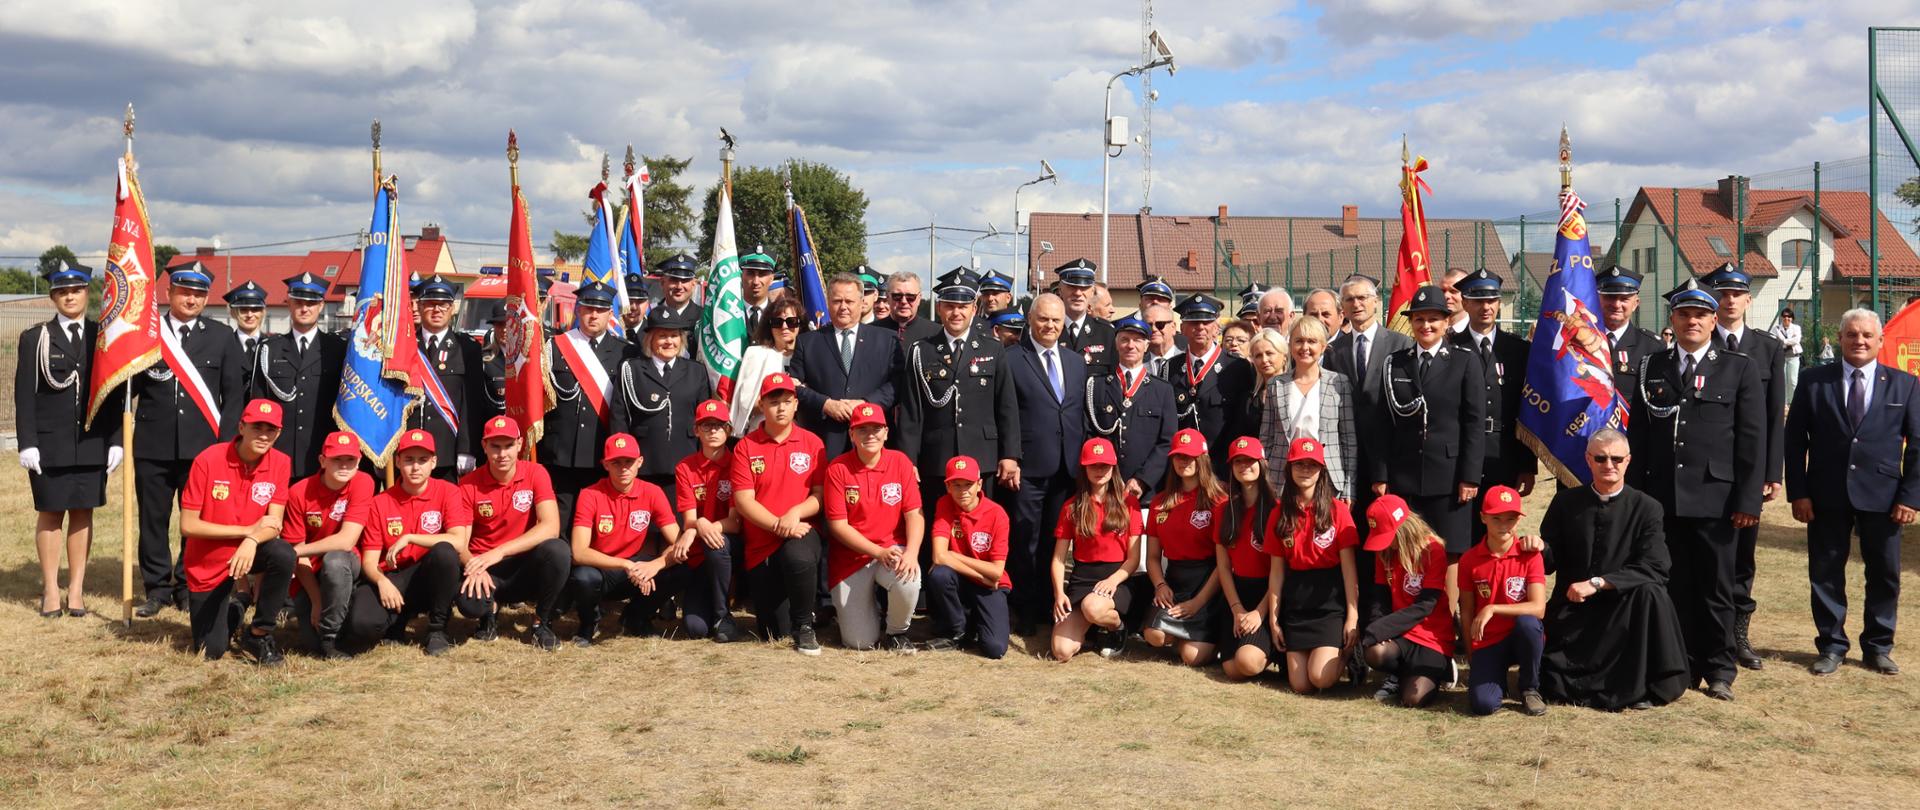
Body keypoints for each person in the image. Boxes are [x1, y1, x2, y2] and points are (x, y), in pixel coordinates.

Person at [1629, 279, 1765, 701]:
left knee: (1717, 589)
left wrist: (1747, 501)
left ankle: (1720, 668)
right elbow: (1638, 438)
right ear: (1672, 319)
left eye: (1701, 315)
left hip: (1717, 501)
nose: (1693, 321)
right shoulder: (1652, 367)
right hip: (1662, 499)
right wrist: (1637, 502)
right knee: (1674, 586)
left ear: (1713, 320)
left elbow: (1751, 440)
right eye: (1685, 314)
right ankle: (1682, 665)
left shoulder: (1738, 367)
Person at [1786, 309, 1920, 676]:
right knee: (1826, 572)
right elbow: (1795, 441)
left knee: (1885, 574)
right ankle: (1831, 646)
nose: (1859, 341)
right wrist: (1799, 492)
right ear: (1840, 339)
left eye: (1866, 336)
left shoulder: (1904, 384)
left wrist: (1910, 497)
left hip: (1885, 496)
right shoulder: (1814, 382)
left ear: (1880, 341)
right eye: (1851, 335)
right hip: (1825, 495)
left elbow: (1919, 444)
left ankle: (1878, 647)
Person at [1538, 429, 1690, 710]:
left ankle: (1643, 687)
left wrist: (1598, 583)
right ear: (1588, 460)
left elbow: (1656, 567)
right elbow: (1549, 562)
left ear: (1628, 461)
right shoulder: (1565, 503)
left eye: (1616, 459)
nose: (1609, 465)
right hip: (1575, 608)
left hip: (1623, 609)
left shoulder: (1647, 508)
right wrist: (1538, 548)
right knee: (1552, 682)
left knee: (1652, 593)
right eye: (1601, 458)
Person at [132, 261, 248, 617]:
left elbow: (233, 398)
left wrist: (225, 446)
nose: (191, 299)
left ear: (206, 298)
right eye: (184, 291)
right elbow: (130, 388)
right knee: (153, 519)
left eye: (198, 294)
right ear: (169, 293)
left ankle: (186, 584)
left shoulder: (221, 336)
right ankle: (157, 587)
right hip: (153, 443)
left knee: (196, 522)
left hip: (204, 449)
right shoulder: (148, 334)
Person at [16, 259, 120, 618]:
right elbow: (24, 395)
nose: (70, 297)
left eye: (76, 290)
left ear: (86, 293)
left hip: (92, 442)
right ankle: (50, 590)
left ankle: (75, 589)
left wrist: (117, 440)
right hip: (49, 445)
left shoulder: (103, 338)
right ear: (52, 297)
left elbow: (114, 395)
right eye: (62, 291)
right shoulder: (35, 338)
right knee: (50, 513)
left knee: (82, 513)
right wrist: (27, 442)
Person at [1702, 263, 1786, 672]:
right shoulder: (1700, 342)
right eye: (1722, 294)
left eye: (1736, 294)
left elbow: (1773, 418)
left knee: (1742, 557)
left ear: (1749, 300)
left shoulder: (1767, 348)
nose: (1729, 301)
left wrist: (1773, 473)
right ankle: (1702, 632)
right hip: (1705, 469)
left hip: (1748, 470)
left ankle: (1738, 635)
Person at [177, 399, 294, 664]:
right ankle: (239, 605)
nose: (263, 435)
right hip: (208, 561)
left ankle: (259, 632)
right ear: (241, 426)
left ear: (279, 433)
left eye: (271, 430)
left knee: (283, 554)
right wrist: (246, 531)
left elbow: (274, 523)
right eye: (257, 427)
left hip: (251, 550)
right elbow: (188, 525)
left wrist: (252, 539)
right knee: (211, 652)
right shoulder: (208, 459)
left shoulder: (281, 462)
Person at [1375, 286, 1485, 562]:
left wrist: (1469, 476)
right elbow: (1383, 423)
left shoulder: (1465, 362)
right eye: (1419, 319)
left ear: (1446, 322)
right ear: (1411, 323)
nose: (1426, 325)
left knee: (1449, 551)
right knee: (1407, 548)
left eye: (1433, 319)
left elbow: (1473, 423)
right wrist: (1382, 474)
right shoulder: (1395, 364)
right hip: (1404, 475)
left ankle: (1448, 607)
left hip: (1449, 477)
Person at [896, 269, 1021, 510]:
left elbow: (1006, 406)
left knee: (981, 528)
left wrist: (1010, 455)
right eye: (950, 306)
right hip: (936, 459)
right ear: (940, 308)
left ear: (974, 309)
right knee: (937, 525)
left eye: (963, 306)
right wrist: (908, 460)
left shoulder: (992, 349)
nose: (956, 313)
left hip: (983, 457)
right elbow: (912, 412)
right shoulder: (921, 350)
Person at [1003, 293, 1089, 632]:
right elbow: (1006, 413)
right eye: (1043, 319)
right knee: (1025, 540)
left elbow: (1077, 412)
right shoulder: (1011, 359)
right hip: (1028, 465)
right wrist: (1010, 455)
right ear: (1030, 320)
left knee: (1056, 542)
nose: (1050, 325)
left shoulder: (1075, 362)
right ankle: (1024, 609)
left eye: (1056, 320)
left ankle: (1048, 604)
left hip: (1067, 468)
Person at [731, 373, 828, 654]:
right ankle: (790, 620)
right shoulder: (746, 446)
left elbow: (819, 496)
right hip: (762, 542)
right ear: (762, 405)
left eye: (787, 401)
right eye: (774, 402)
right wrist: (777, 524)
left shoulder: (813, 443)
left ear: (796, 404)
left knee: (796, 556)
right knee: (772, 631)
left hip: (800, 532)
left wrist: (795, 514)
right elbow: (744, 500)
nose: (781, 408)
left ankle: (805, 625)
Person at [347, 430, 467, 655]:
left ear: (434, 463)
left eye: (422, 460)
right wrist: (381, 582)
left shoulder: (448, 492)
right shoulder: (379, 502)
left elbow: (459, 542)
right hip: (395, 577)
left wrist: (410, 537)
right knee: (361, 626)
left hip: (429, 575)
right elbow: (370, 561)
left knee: (445, 552)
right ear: (398, 461)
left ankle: (437, 628)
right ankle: (398, 618)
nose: (415, 467)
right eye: (409, 460)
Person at [456, 415, 569, 651]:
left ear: (519, 444)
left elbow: (551, 526)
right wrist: (473, 566)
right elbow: (460, 542)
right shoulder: (468, 484)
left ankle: (541, 623)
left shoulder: (536, 473)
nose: (502, 454)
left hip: (522, 566)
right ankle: (489, 615)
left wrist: (500, 551)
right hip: (487, 569)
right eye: (495, 446)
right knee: (469, 605)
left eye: (508, 446)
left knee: (558, 550)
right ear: (484, 446)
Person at [822, 403, 924, 652]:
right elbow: (838, 526)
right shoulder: (837, 469)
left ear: (886, 432)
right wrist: (876, 552)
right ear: (851, 435)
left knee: (909, 578)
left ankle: (896, 631)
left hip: (892, 550)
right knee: (859, 642)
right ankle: (869, 613)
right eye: (862, 429)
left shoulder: (900, 462)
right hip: (851, 559)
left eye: (876, 428)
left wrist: (911, 553)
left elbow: (915, 515)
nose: (870, 435)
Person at [566, 432, 683, 645]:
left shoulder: (653, 492)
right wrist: (625, 564)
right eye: (616, 462)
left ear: (640, 462)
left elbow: (679, 543)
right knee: (584, 578)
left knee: (681, 568)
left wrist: (655, 565)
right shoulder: (590, 494)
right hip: (602, 570)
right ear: (605, 464)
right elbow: (579, 551)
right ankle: (588, 624)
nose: (623, 468)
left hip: (635, 569)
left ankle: (635, 617)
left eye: (629, 462)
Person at [1266, 437, 1360, 694]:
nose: (1305, 470)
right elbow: (1276, 573)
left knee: (1320, 677)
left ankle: (1351, 655)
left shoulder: (1338, 510)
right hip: (1296, 601)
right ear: (1289, 468)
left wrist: (1353, 615)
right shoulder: (1279, 513)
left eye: (1312, 465)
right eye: (1299, 464)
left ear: (1322, 470)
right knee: (1300, 685)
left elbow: (1349, 569)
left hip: (1329, 601)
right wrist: (1274, 620)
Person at [539, 280, 627, 525]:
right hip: (560, 452)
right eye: (588, 308)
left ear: (610, 314)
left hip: (601, 450)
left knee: (598, 518)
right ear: (578, 309)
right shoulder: (555, 347)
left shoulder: (625, 352)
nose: (593, 315)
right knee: (560, 519)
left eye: (600, 310)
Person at [1048, 438, 1143, 661]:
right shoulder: (1072, 506)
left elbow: (1134, 558)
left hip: (1118, 578)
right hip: (1083, 578)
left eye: (1104, 465)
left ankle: (1116, 628)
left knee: (1093, 607)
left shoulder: (1129, 503)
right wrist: (1058, 593)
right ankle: (1092, 627)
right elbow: (1059, 559)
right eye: (1093, 465)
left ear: (1113, 468)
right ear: (1084, 468)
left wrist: (1112, 581)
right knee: (1061, 651)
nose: (1099, 470)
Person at [281, 431, 374, 659]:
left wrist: (297, 550)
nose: (344, 466)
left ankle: (330, 637)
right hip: (309, 573)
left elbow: (346, 541)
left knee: (335, 559)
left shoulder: (363, 482)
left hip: (345, 563)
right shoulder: (298, 492)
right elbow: (298, 560)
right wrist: (316, 600)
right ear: (322, 461)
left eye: (350, 460)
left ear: (359, 462)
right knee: (309, 645)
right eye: (336, 459)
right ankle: (328, 624)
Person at [1458, 485, 1548, 716]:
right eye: (1496, 518)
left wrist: (1493, 608)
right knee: (1483, 705)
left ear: (1519, 520)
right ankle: (1497, 679)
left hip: (1521, 637)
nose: (1504, 525)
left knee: (1528, 623)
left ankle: (1530, 687)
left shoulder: (1530, 555)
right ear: (1483, 518)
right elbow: (1466, 612)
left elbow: (1538, 608)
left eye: (1511, 518)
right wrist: (1472, 657)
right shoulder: (1469, 560)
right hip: (1488, 642)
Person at [791, 273, 901, 462]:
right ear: (828, 302)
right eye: (837, 301)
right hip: (824, 442)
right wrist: (825, 404)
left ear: (861, 303)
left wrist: (866, 403)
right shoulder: (807, 342)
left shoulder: (887, 339)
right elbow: (794, 387)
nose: (843, 307)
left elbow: (898, 383)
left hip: (872, 442)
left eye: (849, 301)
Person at [1142, 429, 1228, 667]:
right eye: (1179, 456)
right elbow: (1151, 557)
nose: (1184, 462)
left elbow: (1224, 563)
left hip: (1208, 584)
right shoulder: (1160, 501)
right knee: (1154, 636)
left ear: (1202, 459)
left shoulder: (1219, 499)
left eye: (1190, 456)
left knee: (1192, 657)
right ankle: (1184, 640)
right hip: (1174, 582)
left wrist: (1198, 602)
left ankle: (1214, 643)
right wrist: (1160, 585)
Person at [1359, 495, 1455, 708]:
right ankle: (1397, 674)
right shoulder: (1383, 552)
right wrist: (1378, 628)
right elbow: (1380, 598)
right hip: (1400, 634)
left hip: (1431, 635)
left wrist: (1379, 630)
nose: (1383, 542)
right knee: (1374, 652)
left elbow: (1425, 606)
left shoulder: (1433, 550)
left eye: (1386, 535)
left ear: (1403, 529)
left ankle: (1443, 667)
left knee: (1413, 699)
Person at [1451, 268, 1536, 501]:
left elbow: (1526, 410)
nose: (1486, 307)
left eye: (1491, 300)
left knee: (1501, 528)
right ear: (1465, 303)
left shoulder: (1519, 350)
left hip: (1505, 455)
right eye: (1478, 301)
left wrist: (1528, 466)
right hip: (1461, 455)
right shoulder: (1449, 348)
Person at [252, 272, 345, 482]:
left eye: (311, 303)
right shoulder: (269, 349)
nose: (304, 308)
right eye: (299, 302)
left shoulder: (338, 349)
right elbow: (258, 403)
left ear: (321, 306)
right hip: (279, 453)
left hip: (324, 453)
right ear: (289, 303)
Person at [612, 307, 711, 494]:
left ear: (681, 340)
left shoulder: (695, 371)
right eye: (662, 336)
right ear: (651, 340)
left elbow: (702, 418)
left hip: (686, 459)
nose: (669, 341)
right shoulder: (632, 370)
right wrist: (622, 458)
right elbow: (619, 417)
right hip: (644, 462)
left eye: (674, 336)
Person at [1085, 312, 1179, 504]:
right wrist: (1103, 476)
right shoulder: (1096, 386)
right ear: (1116, 343)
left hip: (1146, 492)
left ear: (1146, 346)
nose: (1130, 345)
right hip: (1103, 487)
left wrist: (1143, 480)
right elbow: (1089, 433)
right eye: (1125, 339)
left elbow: (1167, 441)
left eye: (1137, 340)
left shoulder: (1162, 390)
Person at [1261, 318, 1358, 503]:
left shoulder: (1339, 383)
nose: (1305, 347)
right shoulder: (1276, 384)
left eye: (1312, 341)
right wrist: (1266, 480)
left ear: (1323, 347)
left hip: (1327, 476)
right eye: (1299, 341)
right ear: (1290, 346)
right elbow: (1266, 438)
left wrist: (1349, 488)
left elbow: (1348, 440)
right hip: (1282, 477)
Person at [926, 456, 1013, 658]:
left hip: (992, 586)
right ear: (947, 486)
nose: (963, 491)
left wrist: (953, 556)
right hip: (973, 579)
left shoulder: (997, 514)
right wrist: (981, 576)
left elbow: (997, 572)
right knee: (939, 575)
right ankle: (958, 630)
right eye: (956, 485)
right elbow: (939, 557)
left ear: (979, 484)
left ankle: (978, 620)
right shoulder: (944, 504)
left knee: (994, 648)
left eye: (968, 484)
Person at [674, 399, 746, 642]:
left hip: (734, 546)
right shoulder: (685, 467)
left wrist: (702, 526)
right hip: (703, 552)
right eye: (706, 426)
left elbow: (735, 522)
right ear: (696, 430)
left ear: (728, 430)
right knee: (695, 629)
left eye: (719, 425)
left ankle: (722, 615)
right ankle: (708, 605)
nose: (713, 431)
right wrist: (698, 526)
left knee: (718, 544)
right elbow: (690, 520)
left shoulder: (739, 461)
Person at [412, 276, 492, 482]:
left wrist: (467, 448)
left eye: (443, 305)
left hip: (447, 448)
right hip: (409, 449)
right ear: (419, 307)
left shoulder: (468, 348)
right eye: (430, 304)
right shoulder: (405, 345)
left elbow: (472, 403)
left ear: (452, 309)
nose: (437, 310)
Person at [1166, 293, 1256, 465]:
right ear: (1182, 328)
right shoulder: (1170, 368)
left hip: (1222, 465)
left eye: (1206, 322)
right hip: (1183, 466)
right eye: (1193, 322)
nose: (1200, 327)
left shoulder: (1237, 367)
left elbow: (1243, 422)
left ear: (1216, 328)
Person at [1216, 437, 1279, 680]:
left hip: (1268, 593)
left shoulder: (1276, 509)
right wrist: (1237, 609)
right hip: (1236, 593)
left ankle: (1274, 651)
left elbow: (1278, 572)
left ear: (1262, 464)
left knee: (1247, 662)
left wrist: (1259, 613)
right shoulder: (1225, 509)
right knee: (1232, 670)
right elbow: (1223, 566)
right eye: (1238, 461)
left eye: (1250, 460)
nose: (1244, 466)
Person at [729, 295, 807, 434]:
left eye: (791, 321)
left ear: (800, 324)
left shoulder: (812, 355)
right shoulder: (755, 354)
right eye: (777, 322)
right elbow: (746, 403)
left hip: (803, 433)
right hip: (762, 431)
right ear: (769, 325)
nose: (784, 327)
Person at [1597, 267, 1659, 420]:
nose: (1617, 304)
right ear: (1598, 299)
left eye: (1624, 299)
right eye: (1610, 297)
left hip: (1630, 437)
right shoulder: (1579, 342)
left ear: (1636, 303)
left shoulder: (1653, 347)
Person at [1056, 259, 1117, 378]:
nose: (1078, 293)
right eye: (1072, 286)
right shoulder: (1046, 330)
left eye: (1084, 287)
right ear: (1060, 290)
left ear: (1092, 292)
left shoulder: (1107, 333)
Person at [224, 280, 270, 393]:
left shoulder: (272, 346)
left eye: (255, 309)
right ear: (233, 313)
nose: (250, 315)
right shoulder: (224, 345)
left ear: (263, 312)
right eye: (243, 310)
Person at [652, 253, 701, 358]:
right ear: (662, 282)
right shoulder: (650, 315)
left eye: (685, 280)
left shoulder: (704, 318)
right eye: (673, 280)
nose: (679, 286)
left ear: (693, 284)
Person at [875, 271, 941, 346]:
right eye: (897, 296)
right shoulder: (871, 331)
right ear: (888, 297)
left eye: (910, 297)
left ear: (919, 298)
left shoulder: (936, 334)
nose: (903, 301)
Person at [1770, 306, 1804, 401]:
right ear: (1781, 317)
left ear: (1792, 318)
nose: (1787, 318)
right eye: (1785, 316)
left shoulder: (1796, 328)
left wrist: (1783, 341)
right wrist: (1789, 340)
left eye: (1789, 316)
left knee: (1793, 381)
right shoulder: (1775, 329)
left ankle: (1793, 402)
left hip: (1794, 357)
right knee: (1783, 381)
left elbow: (1796, 340)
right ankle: (1783, 403)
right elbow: (1774, 341)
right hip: (1781, 357)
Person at [739, 251, 776, 337]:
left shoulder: (779, 315)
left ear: (771, 279)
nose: (756, 282)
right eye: (750, 274)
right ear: (741, 276)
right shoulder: (728, 314)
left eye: (762, 274)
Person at [1144, 303, 1183, 379]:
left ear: (1173, 327)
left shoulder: (1189, 362)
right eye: (1148, 325)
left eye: (1160, 324)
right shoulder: (1135, 365)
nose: (1154, 329)